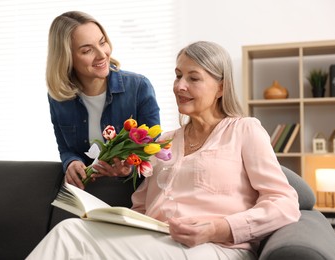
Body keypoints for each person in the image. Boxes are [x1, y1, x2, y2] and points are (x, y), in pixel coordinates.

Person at [27, 41, 301, 259]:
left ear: (221, 87)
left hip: (216, 248)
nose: (180, 86)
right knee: (69, 230)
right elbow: (143, 205)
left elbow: (284, 202)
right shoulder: (163, 142)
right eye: (178, 75)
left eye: (194, 78)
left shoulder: (244, 130)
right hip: (156, 241)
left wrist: (219, 228)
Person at [46, 11, 160, 189]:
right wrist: (71, 162)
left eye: (102, 42)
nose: (102, 54)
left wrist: (128, 170)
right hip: (87, 193)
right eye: (87, 50)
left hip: (128, 192)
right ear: (67, 57)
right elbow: (66, 149)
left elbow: (153, 150)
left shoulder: (139, 87)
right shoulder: (59, 97)